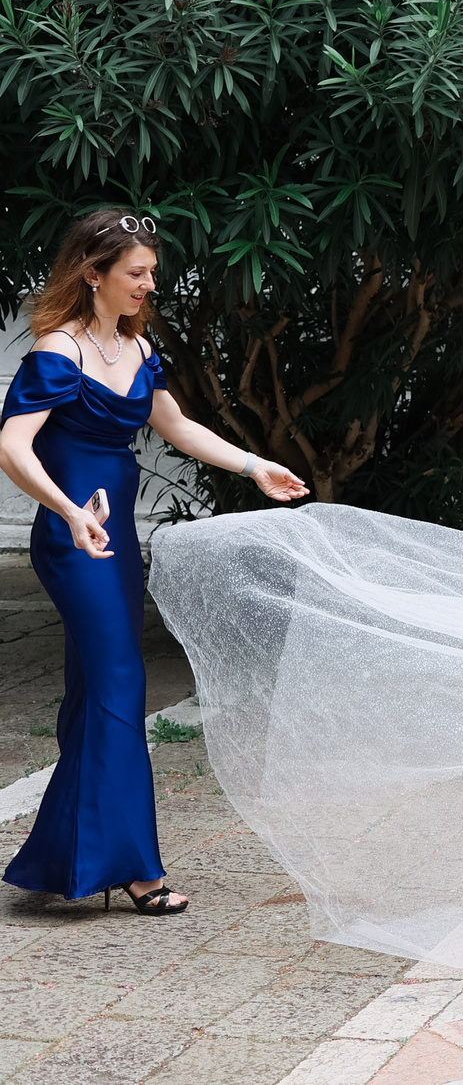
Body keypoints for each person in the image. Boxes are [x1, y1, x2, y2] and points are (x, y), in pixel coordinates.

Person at [0, 211, 308, 915]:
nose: (149, 283)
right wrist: (68, 511)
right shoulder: (59, 351)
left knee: (94, 688)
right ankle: (135, 865)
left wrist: (255, 463)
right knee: (118, 679)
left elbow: (176, 426)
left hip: (113, 538)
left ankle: (67, 855)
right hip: (74, 537)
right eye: (135, 272)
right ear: (94, 273)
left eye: (151, 272)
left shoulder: (136, 347)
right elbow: (13, 447)